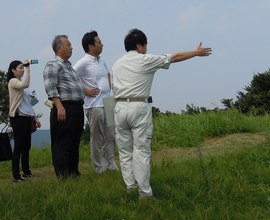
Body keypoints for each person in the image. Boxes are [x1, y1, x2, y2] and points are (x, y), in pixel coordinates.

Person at [111, 28, 212, 200]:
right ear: (139, 46)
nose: (147, 49)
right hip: (138, 107)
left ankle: (131, 188)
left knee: (125, 152)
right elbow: (175, 57)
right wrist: (195, 53)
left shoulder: (116, 64)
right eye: (146, 45)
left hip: (119, 108)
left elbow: (111, 84)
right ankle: (145, 194)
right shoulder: (145, 60)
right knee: (141, 151)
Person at [74, 31, 118, 173]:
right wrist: (85, 91)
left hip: (107, 102)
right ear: (91, 46)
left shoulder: (102, 60)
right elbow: (71, 78)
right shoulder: (83, 62)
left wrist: (109, 85)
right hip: (94, 105)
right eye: (99, 42)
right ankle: (99, 168)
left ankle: (110, 164)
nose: (102, 44)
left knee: (110, 136)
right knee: (97, 138)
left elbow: (108, 74)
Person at [43, 35, 85, 179]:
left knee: (74, 141)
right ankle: (63, 175)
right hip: (64, 107)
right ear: (59, 48)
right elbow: (50, 87)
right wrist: (59, 107)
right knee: (63, 142)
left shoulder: (69, 67)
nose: (71, 47)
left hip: (77, 107)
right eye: (68, 45)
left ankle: (74, 172)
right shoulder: (53, 64)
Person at [7, 59, 41, 182]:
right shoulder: (13, 82)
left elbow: (29, 104)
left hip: (27, 117)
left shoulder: (22, 84)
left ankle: (26, 172)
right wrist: (28, 68)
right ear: (13, 70)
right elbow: (25, 84)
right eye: (20, 68)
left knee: (27, 146)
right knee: (19, 147)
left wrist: (35, 118)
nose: (22, 70)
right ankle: (16, 176)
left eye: (23, 68)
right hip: (18, 117)